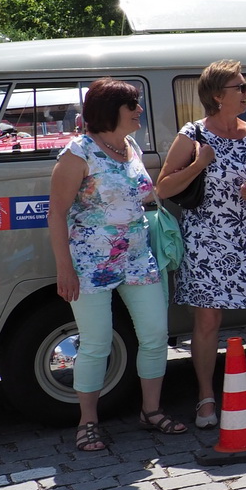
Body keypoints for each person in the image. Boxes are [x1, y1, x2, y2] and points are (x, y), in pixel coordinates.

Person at [48, 79, 185, 451]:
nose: (139, 111)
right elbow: (56, 214)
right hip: (91, 263)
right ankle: (87, 421)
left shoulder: (130, 146)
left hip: (139, 258)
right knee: (96, 343)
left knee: (155, 335)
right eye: (133, 106)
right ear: (111, 111)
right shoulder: (78, 153)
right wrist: (65, 269)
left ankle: (151, 411)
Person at [157, 60, 246, 426]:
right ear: (217, 96)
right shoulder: (194, 134)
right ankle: (205, 397)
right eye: (242, 87)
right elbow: (163, 187)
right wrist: (200, 164)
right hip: (206, 241)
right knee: (207, 319)